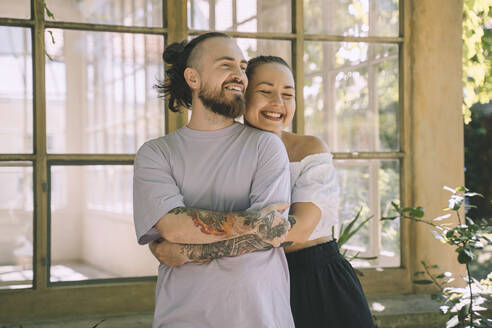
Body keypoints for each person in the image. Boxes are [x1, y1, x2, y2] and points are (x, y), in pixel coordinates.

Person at [151, 55, 375, 328]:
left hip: (319, 280)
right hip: (256, 287)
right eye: (265, 92)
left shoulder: (309, 149)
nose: (278, 103)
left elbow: (298, 230)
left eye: (288, 95)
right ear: (242, 95)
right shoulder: (222, 154)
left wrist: (188, 251)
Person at [133, 33, 296, 328]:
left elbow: (268, 236)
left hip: (260, 316)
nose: (240, 76)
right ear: (192, 78)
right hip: (183, 317)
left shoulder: (266, 146)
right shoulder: (156, 154)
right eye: (226, 65)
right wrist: (251, 223)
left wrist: (184, 250)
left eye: (243, 68)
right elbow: (172, 225)